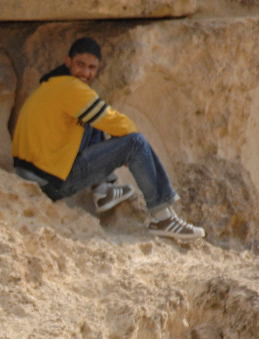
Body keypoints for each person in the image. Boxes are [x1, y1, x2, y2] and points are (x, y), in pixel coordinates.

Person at [12, 37, 205, 240]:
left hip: (31, 173)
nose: (86, 73)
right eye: (80, 65)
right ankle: (163, 217)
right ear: (68, 62)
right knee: (136, 143)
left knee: (92, 116)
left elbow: (102, 118)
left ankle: (104, 189)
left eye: (91, 68)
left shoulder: (53, 85)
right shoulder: (71, 89)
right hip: (49, 182)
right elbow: (122, 126)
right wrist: (128, 153)